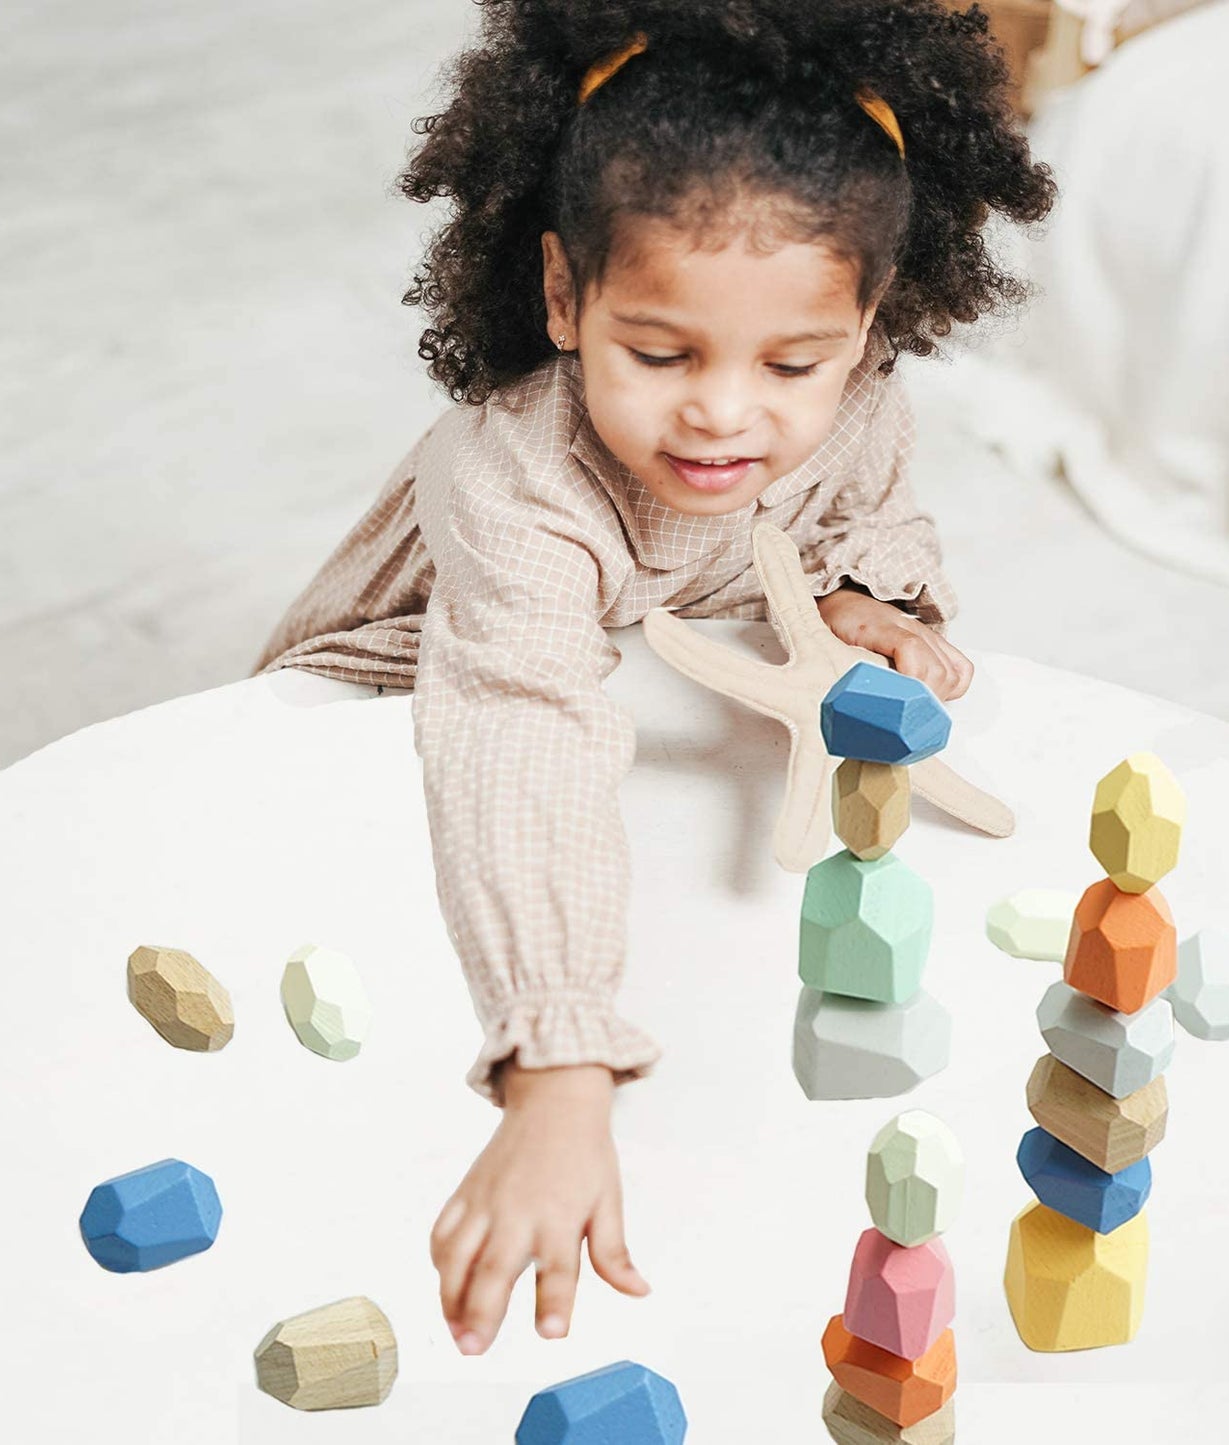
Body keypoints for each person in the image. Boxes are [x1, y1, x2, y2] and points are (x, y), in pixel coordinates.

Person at [251, 0, 1056, 1360]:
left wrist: (867, 591)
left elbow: (863, 495)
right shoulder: (517, 480)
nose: (726, 414)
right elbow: (520, 726)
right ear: (564, 295)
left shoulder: (852, 398)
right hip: (409, 695)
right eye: (662, 352)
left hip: (641, 667)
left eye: (793, 360)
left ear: (867, 320)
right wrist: (558, 1065)